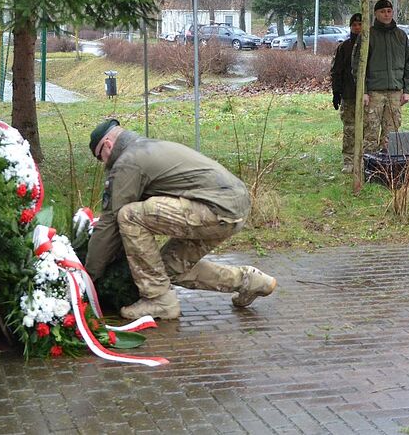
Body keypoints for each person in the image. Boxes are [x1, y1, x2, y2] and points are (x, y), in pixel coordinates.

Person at [83, 120, 276, 320]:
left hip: (216, 209)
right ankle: (249, 281)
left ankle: (158, 301)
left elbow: (111, 221)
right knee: (167, 268)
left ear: (107, 145)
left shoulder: (128, 161)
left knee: (129, 216)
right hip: (232, 207)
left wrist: (88, 275)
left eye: (100, 157)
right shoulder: (148, 147)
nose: (103, 162)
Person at [363, 0, 409, 153]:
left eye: (389, 11)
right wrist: (363, 91)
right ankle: (368, 163)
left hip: (395, 92)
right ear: (376, 14)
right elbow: (358, 65)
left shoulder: (401, 35)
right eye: (382, 11)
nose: (386, 14)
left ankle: (387, 164)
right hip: (374, 92)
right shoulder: (368, 35)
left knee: (391, 133)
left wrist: (407, 90)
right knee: (370, 131)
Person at [330, 12, 363, 173]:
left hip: (367, 94)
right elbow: (336, 71)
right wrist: (336, 92)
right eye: (354, 25)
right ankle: (349, 161)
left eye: (360, 24)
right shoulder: (343, 47)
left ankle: (364, 160)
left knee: (366, 129)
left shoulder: (370, 45)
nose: (357, 27)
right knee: (350, 129)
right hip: (349, 94)